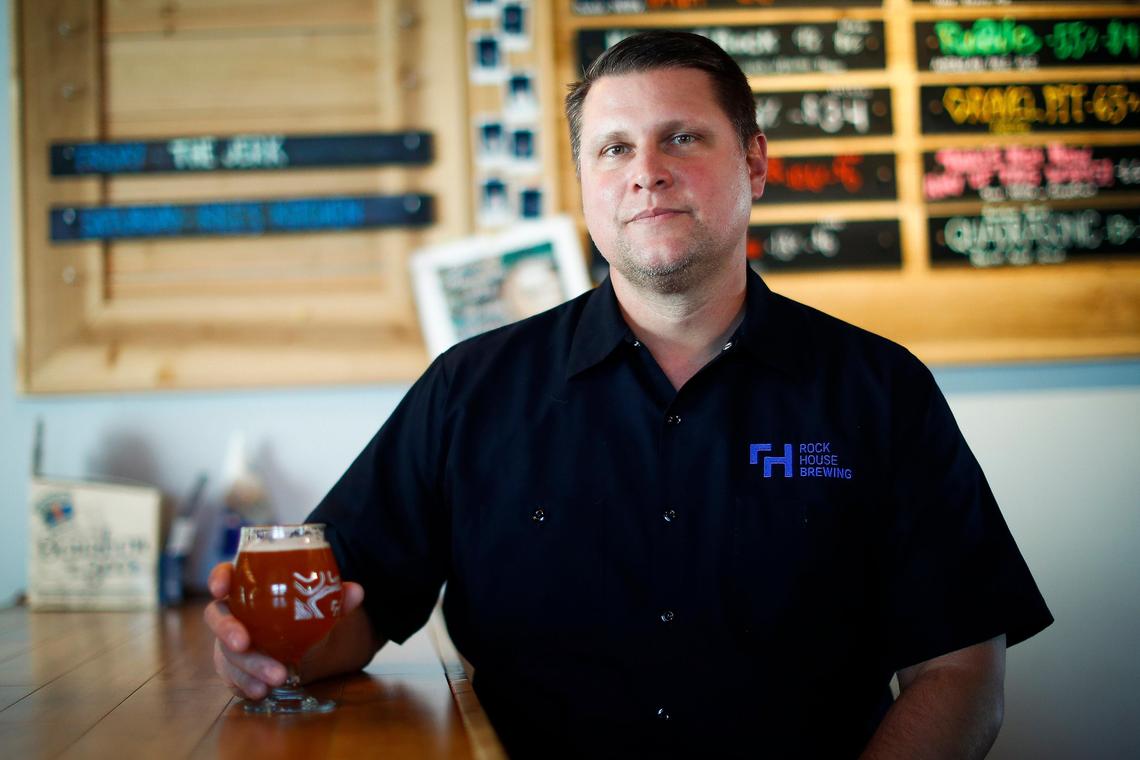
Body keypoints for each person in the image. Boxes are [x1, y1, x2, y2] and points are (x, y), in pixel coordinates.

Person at [205, 31, 1052, 758]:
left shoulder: (879, 389)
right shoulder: (469, 391)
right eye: (614, 148)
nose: (646, 172)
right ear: (582, 182)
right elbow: (346, 610)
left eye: (682, 138)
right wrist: (268, 652)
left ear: (754, 160)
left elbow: (961, 673)